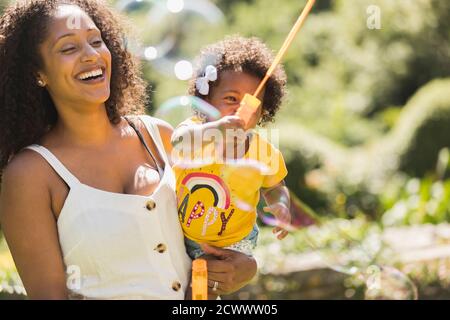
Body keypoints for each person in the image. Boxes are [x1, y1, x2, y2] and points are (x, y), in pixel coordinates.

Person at [0, 0, 256, 299]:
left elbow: (209, 238)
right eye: (68, 48)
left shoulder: (159, 136)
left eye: (97, 41)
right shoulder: (29, 175)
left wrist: (244, 267)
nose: (92, 55)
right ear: (37, 73)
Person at [171, 36, 291, 271]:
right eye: (230, 99)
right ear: (206, 100)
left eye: (251, 103)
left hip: (236, 243)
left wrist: (281, 205)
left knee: (204, 286)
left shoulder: (263, 152)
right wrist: (217, 128)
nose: (239, 109)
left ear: (264, 111)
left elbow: (274, 186)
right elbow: (178, 142)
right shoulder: (196, 130)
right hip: (179, 235)